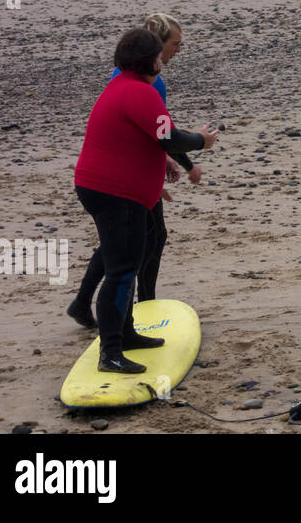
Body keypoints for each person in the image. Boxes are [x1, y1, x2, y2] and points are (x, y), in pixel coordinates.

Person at [73, 28, 219, 373]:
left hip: (113, 190)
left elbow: (146, 141)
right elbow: (168, 137)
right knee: (122, 271)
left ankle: (126, 333)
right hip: (113, 194)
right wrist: (201, 140)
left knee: (126, 264)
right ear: (151, 60)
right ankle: (110, 352)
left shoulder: (122, 86)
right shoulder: (140, 92)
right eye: (160, 54)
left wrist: (159, 172)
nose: (163, 60)